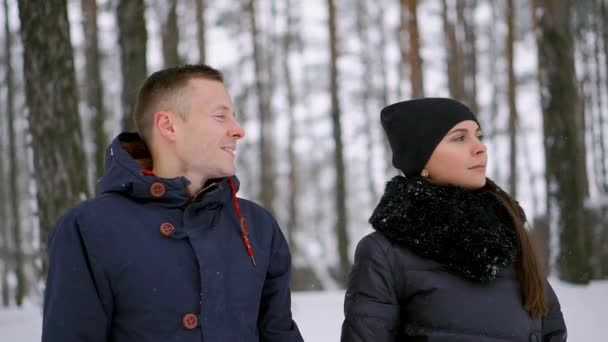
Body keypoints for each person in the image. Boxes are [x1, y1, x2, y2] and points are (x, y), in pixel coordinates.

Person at [42, 64, 303, 342]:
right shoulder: (89, 229)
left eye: (234, 118)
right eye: (220, 117)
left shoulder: (256, 226)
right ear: (168, 126)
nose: (238, 130)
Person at [341, 98, 567, 341]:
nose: (480, 148)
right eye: (459, 138)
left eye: (478, 135)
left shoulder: (510, 233)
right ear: (422, 160)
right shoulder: (383, 253)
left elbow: (551, 330)